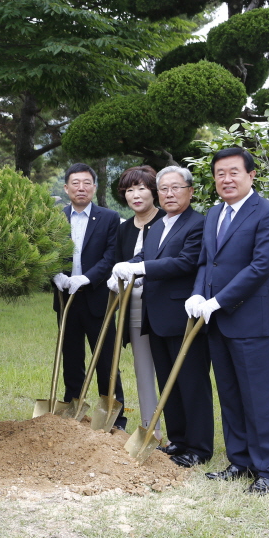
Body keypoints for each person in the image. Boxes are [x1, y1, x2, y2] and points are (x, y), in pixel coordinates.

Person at [186, 147, 269, 494]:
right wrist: (199, 294)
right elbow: (205, 263)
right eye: (219, 174)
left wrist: (218, 301)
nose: (226, 179)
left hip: (249, 322)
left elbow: (259, 267)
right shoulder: (214, 214)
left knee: (258, 397)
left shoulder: (268, 213)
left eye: (233, 172)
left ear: (251, 175)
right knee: (229, 394)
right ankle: (240, 462)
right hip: (215, 320)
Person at [112, 165, 213, 469]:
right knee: (169, 382)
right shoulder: (156, 226)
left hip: (184, 315)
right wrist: (127, 266)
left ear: (190, 191)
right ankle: (179, 440)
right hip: (155, 316)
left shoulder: (198, 224)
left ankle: (198, 447)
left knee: (191, 383)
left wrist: (140, 270)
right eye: (164, 189)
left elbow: (185, 262)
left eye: (176, 188)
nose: (169, 194)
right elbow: (147, 257)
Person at [52, 163, 127, 431]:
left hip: (98, 299)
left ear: (94, 188)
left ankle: (114, 418)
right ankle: (72, 410)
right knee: (71, 356)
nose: (81, 188)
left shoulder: (109, 218)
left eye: (86, 183)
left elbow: (111, 256)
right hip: (66, 299)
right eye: (75, 183)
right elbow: (48, 251)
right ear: (66, 187)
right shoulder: (56, 217)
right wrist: (55, 274)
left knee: (106, 359)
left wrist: (87, 278)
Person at [107, 166, 163, 441]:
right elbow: (117, 263)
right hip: (134, 307)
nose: (135, 195)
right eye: (129, 190)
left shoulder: (168, 221)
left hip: (164, 308)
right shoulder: (124, 228)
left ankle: (180, 432)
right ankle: (151, 431)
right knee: (143, 371)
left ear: (154, 190)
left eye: (141, 188)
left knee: (168, 371)